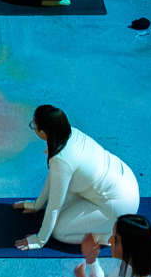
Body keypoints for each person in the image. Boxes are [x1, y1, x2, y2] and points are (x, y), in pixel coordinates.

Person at [15, 105, 139, 251]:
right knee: (60, 204)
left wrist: (40, 240)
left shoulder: (62, 160)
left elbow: (55, 205)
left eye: (34, 125)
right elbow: (54, 178)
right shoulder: (71, 133)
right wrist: (37, 205)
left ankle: (107, 234)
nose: (33, 127)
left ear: (43, 132)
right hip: (126, 183)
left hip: (119, 206)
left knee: (59, 231)